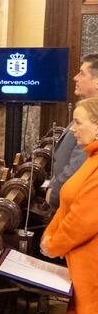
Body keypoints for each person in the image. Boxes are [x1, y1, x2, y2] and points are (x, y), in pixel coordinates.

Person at [40, 96, 98, 314]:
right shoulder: (91, 157)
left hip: (93, 264)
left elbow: (84, 218)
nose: (74, 129)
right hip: (81, 260)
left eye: (79, 122)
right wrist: (51, 235)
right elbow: (68, 205)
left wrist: (54, 244)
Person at [48, 53, 98, 211]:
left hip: (74, 204)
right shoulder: (84, 109)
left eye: (82, 73)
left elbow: (79, 165)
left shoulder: (93, 117)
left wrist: (54, 194)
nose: (75, 78)